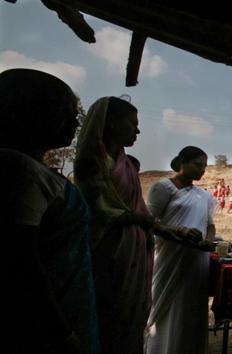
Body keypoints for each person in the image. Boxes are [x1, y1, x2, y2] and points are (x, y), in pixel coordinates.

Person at [74, 97, 194, 354]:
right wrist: (142, 221)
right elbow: (98, 210)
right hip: (108, 250)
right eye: (132, 124)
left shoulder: (128, 165)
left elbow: (138, 211)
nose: (137, 131)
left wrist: (175, 231)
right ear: (112, 124)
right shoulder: (92, 161)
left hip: (134, 250)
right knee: (108, 316)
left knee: (129, 320)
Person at [0, 68, 99, 354]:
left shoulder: (34, 170)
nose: (76, 120)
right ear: (24, 108)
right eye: (65, 110)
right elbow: (20, 263)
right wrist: (62, 334)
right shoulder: (17, 170)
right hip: (45, 328)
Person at [145, 146, 217, 354]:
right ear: (183, 162)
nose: (202, 170)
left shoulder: (202, 195)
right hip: (169, 259)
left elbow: (210, 225)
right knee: (164, 308)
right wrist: (180, 233)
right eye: (198, 165)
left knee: (191, 309)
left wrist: (208, 242)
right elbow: (151, 223)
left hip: (196, 261)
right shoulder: (163, 188)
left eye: (205, 166)